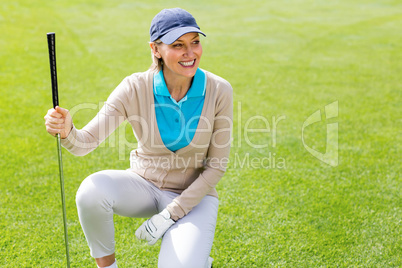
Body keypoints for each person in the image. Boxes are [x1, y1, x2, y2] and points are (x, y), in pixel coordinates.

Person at [44, 7, 233, 268]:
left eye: (195, 42)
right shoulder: (134, 87)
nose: (190, 53)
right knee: (91, 191)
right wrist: (67, 131)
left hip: (194, 197)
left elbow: (216, 167)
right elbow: (83, 143)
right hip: (144, 186)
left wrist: (170, 215)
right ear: (156, 49)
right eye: (178, 45)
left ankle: (197, 259)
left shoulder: (219, 90)